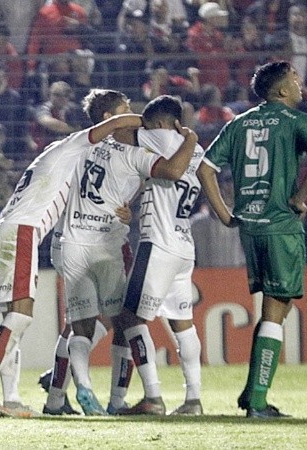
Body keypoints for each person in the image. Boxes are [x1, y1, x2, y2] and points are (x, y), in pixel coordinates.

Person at [0, 108, 144, 418]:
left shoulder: (59, 162)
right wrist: (147, 120)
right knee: (20, 316)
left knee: (14, 318)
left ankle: (12, 396)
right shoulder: (73, 146)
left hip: (11, 230)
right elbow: (111, 124)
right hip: (22, 231)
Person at [48, 91, 199, 416]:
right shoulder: (134, 154)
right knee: (125, 319)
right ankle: (137, 397)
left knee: (79, 324)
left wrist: (129, 201)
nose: (134, 115)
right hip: (109, 244)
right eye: (125, 110)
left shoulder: (77, 145)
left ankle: (58, 393)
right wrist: (189, 140)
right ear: (110, 119)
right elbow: (171, 171)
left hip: (69, 241)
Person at [199, 60, 307, 418]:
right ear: (282, 90)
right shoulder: (296, 121)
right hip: (281, 225)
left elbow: (205, 169)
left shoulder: (238, 123)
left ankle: (251, 392)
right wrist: (300, 197)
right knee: (276, 310)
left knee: (274, 308)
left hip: (250, 227)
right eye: (295, 79)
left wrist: (225, 214)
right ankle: (257, 400)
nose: (300, 84)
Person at [113, 95, 208, 416]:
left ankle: (152, 396)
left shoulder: (159, 135)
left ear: (159, 123)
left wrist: (139, 121)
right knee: (183, 324)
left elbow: (118, 134)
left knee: (129, 318)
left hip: (158, 243)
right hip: (184, 246)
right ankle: (193, 399)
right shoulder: (196, 150)